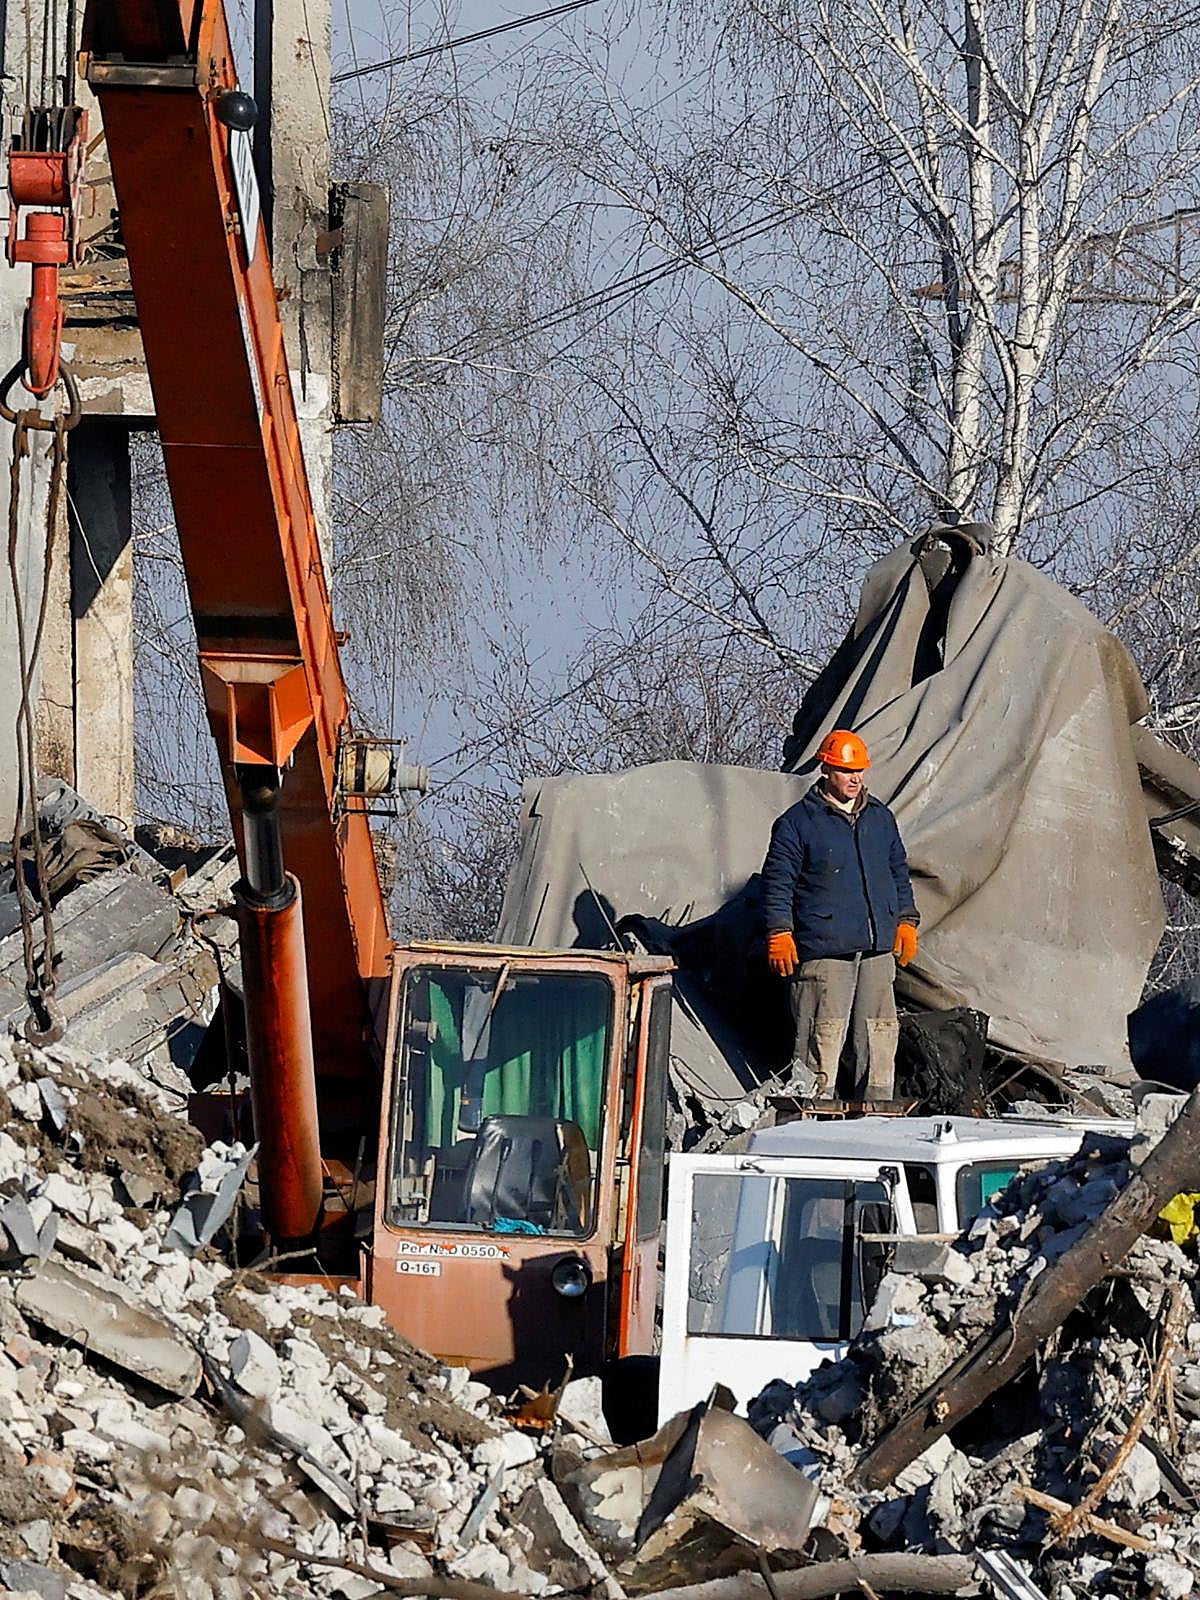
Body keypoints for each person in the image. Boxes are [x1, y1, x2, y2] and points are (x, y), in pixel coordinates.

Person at [761, 730, 919, 1102]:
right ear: (826, 769)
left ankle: (877, 1115)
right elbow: (778, 882)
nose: (855, 778)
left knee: (880, 1038)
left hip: (877, 949)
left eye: (860, 771)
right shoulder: (797, 823)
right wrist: (779, 931)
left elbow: (898, 871)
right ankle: (814, 1116)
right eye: (847, 771)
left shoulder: (880, 818)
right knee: (821, 1039)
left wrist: (906, 921)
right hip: (825, 952)